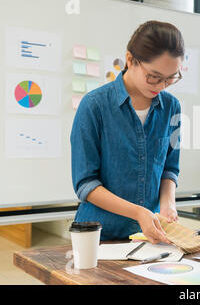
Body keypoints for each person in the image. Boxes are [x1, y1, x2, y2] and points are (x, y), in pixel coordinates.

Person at [71, 20, 184, 244]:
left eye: (170, 78)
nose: (161, 86)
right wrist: (138, 212)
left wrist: (168, 204)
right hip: (98, 235)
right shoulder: (94, 106)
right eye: (154, 76)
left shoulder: (172, 107)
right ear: (131, 60)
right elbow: (85, 184)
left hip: (148, 236)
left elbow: (169, 168)